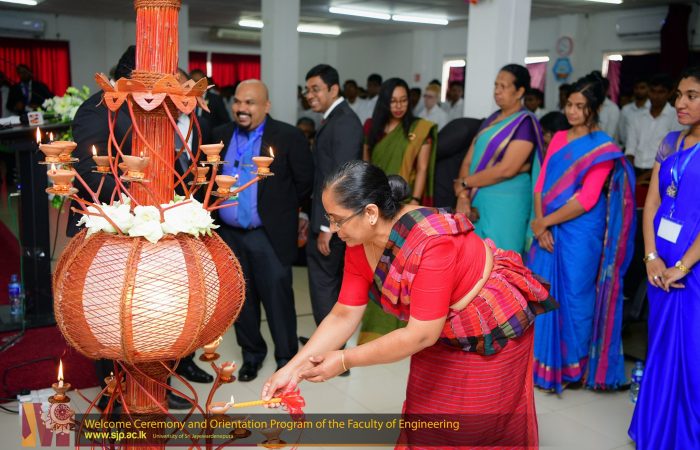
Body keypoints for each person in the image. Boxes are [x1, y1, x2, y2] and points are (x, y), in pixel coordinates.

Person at [261, 161, 556, 448]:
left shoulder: (432, 241)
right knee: (425, 417)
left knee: (475, 429)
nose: (334, 229)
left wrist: (343, 360)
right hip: (437, 329)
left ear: (371, 212)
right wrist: (293, 369)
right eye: (330, 219)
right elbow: (344, 313)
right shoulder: (359, 241)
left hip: (490, 331)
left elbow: (420, 335)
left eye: (338, 220)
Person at [69, 48, 211, 410]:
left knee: (157, 314)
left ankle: (157, 387)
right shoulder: (98, 110)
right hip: (113, 231)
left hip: (156, 231)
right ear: (133, 76)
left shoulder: (159, 109)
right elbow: (89, 173)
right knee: (112, 318)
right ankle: (115, 399)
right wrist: (141, 200)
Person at [528, 72, 636, 393]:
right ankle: (541, 365)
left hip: (580, 230)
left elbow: (587, 199)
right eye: (569, 104)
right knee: (542, 290)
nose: (572, 111)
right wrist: (540, 221)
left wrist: (545, 222)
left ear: (596, 108)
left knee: (576, 295)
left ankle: (574, 367)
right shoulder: (559, 137)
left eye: (580, 106)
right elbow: (541, 183)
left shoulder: (603, 148)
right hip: (547, 224)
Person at [212, 80, 314, 382]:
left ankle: (286, 357)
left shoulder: (288, 136)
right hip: (229, 235)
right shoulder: (219, 135)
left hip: (268, 234)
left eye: (250, 103)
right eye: (238, 101)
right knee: (240, 299)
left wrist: (287, 213)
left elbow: (304, 182)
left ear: (266, 106)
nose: (242, 108)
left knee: (277, 298)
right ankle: (252, 355)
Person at [628, 67, 700, 450]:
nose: (679, 103)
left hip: (692, 268)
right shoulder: (671, 142)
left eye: (691, 96)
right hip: (660, 263)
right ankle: (656, 432)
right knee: (660, 345)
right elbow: (653, 202)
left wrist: (682, 266)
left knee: (691, 353)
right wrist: (651, 257)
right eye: (679, 95)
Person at [361, 78, 438, 343]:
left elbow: (423, 168)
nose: (399, 106)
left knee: (404, 264)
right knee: (378, 263)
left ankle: (406, 325)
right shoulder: (372, 128)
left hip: (404, 202)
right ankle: (377, 324)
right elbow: (367, 165)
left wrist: (414, 200)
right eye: (393, 101)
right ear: (384, 102)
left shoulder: (419, 129)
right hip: (376, 203)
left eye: (404, 100)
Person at [302, 64, 363, 358]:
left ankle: (330, 351)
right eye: (307, 90)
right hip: (326, 218)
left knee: (324, 284)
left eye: (316, 89)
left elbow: (342, 179)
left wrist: (329, 227)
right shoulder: (334, 119)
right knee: (326, 284)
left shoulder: (345, 122)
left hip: (332, 223)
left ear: (333, 89)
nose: (310, 95)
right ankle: (327, 343)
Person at [454, 64, 544, 255]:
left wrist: (464, 183)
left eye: (503, 86)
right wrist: (463, 196)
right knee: (474, 260)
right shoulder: (491, 120)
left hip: (506, 205)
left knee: (501, 260)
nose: (497, 91)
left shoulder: (524, 123)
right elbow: (468, 160)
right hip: (476, 200)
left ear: (520, 91)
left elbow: (507, 169)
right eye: (496, 85)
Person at [625, 74, 684, 182]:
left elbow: (670, 156)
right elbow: (630, 149)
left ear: (670, 93)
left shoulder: (676, 118)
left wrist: (643, 178)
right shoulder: (636, 117)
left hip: (661, 172)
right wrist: (630, 175)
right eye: (653, 91)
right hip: (635, 171)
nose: (655, 96)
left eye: (661, 92)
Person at [617, 76, 650, 147]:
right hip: (627, 147)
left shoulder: (652, 109)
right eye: (636, 88)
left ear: (648, 89)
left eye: (642, 88)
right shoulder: (626, 109)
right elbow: (621, 132)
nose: (639, 91)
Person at [597, 75, 620, 141]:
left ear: (607, 90)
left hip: (605, 145)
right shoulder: (589, 105)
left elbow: (609, 136)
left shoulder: (613, 108)